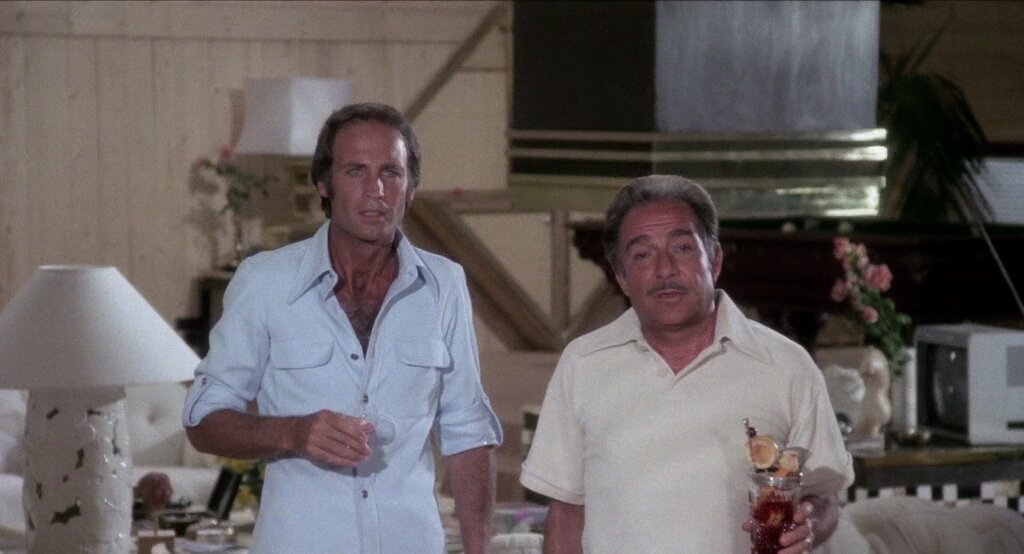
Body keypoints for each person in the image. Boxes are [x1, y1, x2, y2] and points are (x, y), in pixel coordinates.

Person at [183, 103, 502, 554]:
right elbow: (203, 421)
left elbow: (469, 432)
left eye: (391, 172)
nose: (376, 190)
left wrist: (479, 549)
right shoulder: (265, 282)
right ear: (323, 183)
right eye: (356, 171)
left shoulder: (444, 285)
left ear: (411, 187)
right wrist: (293, 433)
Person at [520, 175, 854, 553]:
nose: (665, 270)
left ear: (715, 260)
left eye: (682, 248)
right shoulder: (583, 363)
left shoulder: (786, 365)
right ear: (622, 278)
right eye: (642, 255)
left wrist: (809, 524)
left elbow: (824, 496)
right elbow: (566, 513)